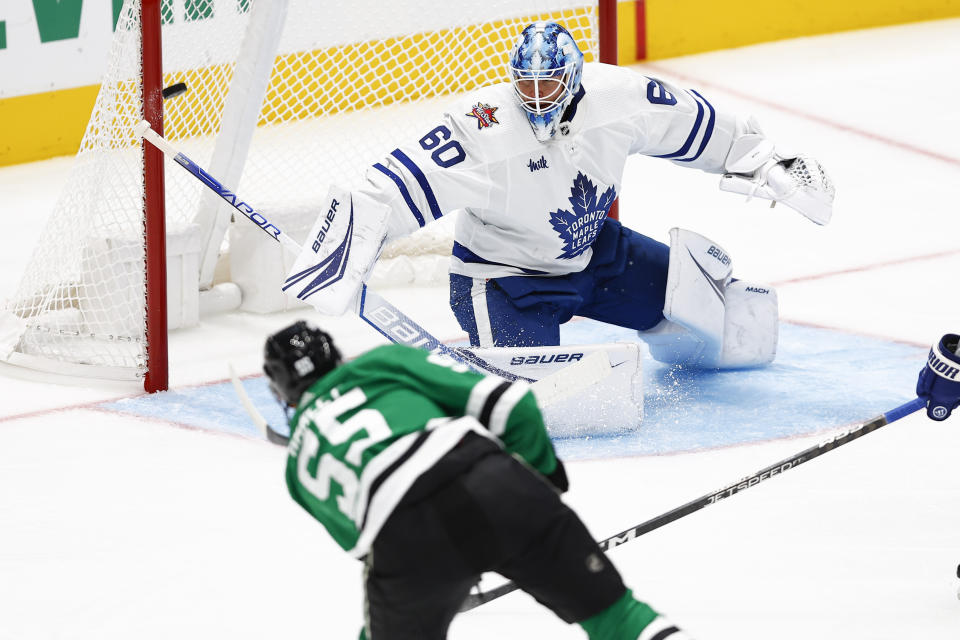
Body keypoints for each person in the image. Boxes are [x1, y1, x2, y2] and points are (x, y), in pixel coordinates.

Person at [289, 21, 835, 370]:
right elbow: (393, 183)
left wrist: (763, 158)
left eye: (547, 85)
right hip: (504, 281)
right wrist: (339, 249)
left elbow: (692, 121)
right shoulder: (483, 128)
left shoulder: (616, 96)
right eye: (525, 86)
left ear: (573, 79)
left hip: (598, 254)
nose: (535, 98)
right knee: (535, 395)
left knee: (725, 325)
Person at [263, 320, 695, 639]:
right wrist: (541, 492)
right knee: (618, 619)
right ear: (335, 355)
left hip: (406, 544)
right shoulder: (382, 362)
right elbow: (515, 406)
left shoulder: (297, 467)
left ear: (282, 391)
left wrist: (440, 580)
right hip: (496, 484)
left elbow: (368, 549)